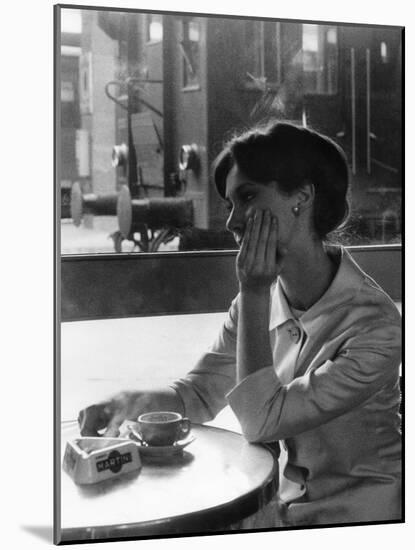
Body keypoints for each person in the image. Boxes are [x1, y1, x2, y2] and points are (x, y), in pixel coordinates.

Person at [78, 121, 401, 527]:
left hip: (364, 521)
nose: (232, 222)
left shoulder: (376, 325)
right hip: (283, 510)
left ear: (302, 196)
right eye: (230, 204)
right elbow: (197, 394)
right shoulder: (258, 300)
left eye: (247, 197)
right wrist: (125, 402)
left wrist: (252, 293)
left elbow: (262, 419)